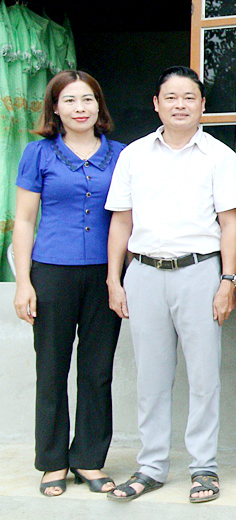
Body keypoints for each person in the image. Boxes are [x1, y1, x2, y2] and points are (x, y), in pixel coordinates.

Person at [105, 66, 236, 503]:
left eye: (189, 97)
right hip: (143, 272)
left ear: (202, 105)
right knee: (152, 376)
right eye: (171, 97)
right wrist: (115, 278)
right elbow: (121, 220)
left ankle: (204, 468)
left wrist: (228, 280)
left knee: (204, 377)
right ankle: (151, 466)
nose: (180, 105)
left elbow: (229, 222)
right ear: (156, 104)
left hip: (200, 271)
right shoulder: (134, 155)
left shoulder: (219, 156)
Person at [12, 70, 125, 497]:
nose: (81, 108)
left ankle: (90, 460)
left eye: (88, 100)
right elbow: (23, 220)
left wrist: (119, 277)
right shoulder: (38, 154)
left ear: (99, 106)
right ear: (55, 108)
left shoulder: (121, 155)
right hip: (51, 273)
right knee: (52, 367)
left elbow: (127, 217)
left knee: (97, 370)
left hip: (104, 274)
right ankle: (53, 461)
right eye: (71, 101)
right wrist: (23, 281)